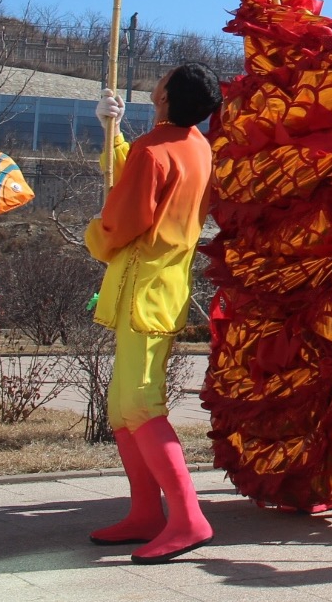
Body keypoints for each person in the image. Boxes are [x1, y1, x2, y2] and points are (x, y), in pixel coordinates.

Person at [85, 65, 223, 563]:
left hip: (140, 289)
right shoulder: (197, 146)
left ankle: (188, 518)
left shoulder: (154, 148)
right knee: (124, 409)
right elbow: (144, 178)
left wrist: (95, 237)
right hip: (162, 288)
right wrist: (114, 131)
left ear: (165, 96)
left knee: (139, 406)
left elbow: (123, 218)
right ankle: (145, 511)